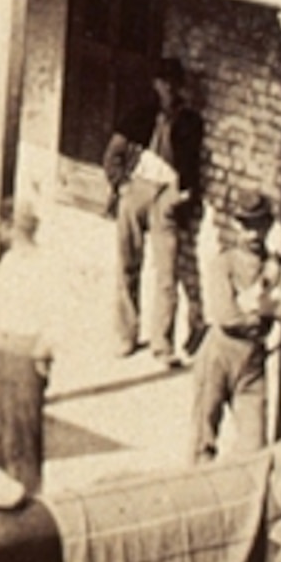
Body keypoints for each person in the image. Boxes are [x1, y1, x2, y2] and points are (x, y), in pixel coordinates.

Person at [186, 187, 281, 462]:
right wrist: (268, 307)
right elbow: (227, 316)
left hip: (252, 362)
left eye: (258, 226)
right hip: (219, 353)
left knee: (255, 449)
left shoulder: (275, 266)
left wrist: (254, 301)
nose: (252, 234)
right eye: (246, 226)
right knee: (203, 441)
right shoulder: (224, 264)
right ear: (236, 226)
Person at [0, 191, 70, 497]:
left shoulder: (45, 265)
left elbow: (58, 314)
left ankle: (28, 496)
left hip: (26, 357)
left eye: (4, 226)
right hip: (2, 352)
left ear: (13, 228)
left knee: (24, 434)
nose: (0, 233)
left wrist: (44, 350)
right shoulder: (8, 263)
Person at [104, 60, 196, 364]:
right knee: (127, 266)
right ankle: (126, 334)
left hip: (166, 196)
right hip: (137, 189)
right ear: (156, 84)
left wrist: (177, 197)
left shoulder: (189, 121)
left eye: (172, 84)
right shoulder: (139, 114)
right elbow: (113, 154)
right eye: (162, 82)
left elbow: (191, 169)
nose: (167, 89)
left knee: (166, 273)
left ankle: (162, 342)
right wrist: (122, 186)